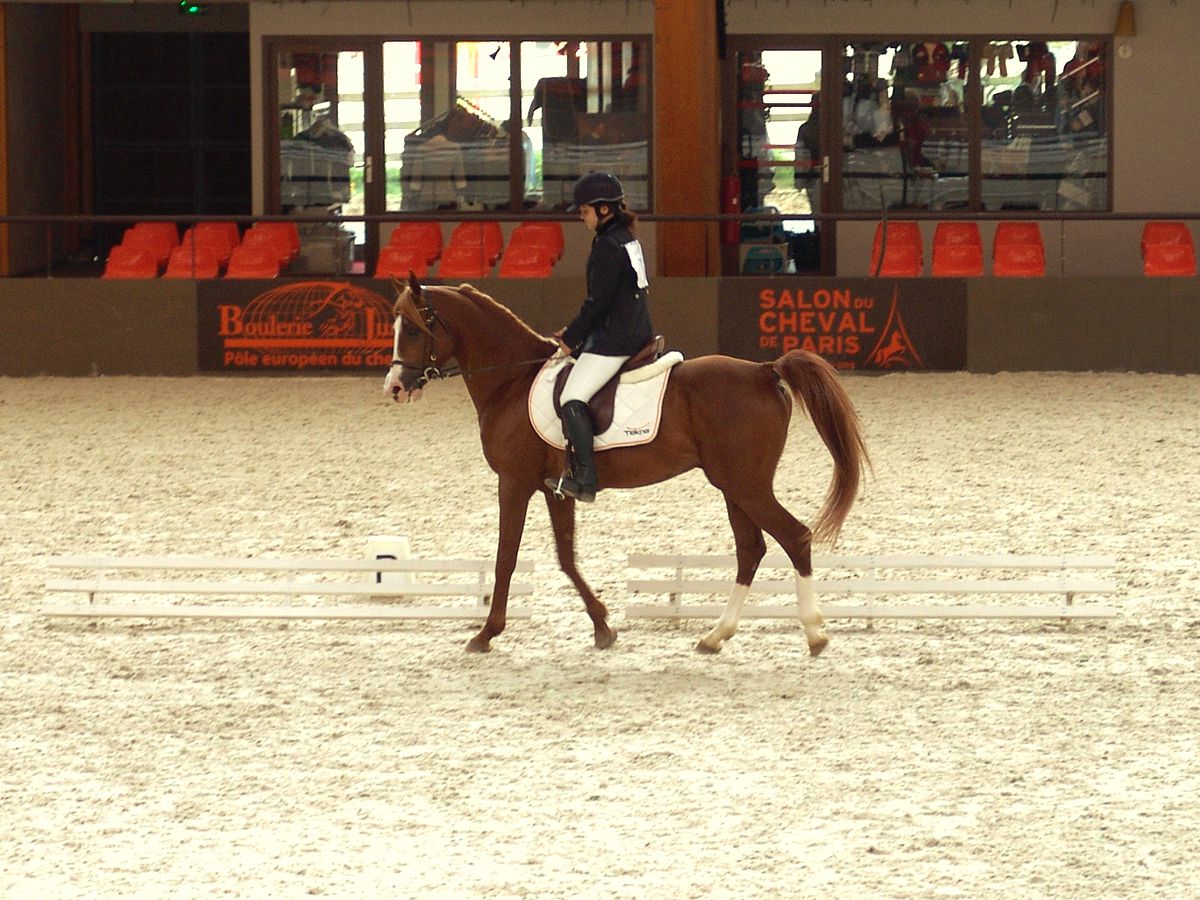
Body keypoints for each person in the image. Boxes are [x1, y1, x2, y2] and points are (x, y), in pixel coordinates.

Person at [545, 171, 653, 503]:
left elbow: (598, 302)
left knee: (571, 398)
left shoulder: (608, 245)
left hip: (616, 339)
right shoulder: (625, 237)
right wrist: (576, 332)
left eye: (585, 211)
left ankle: (585, 479)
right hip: (633, 327)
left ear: (604, 209)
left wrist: (571, 339)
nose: (582, 217)